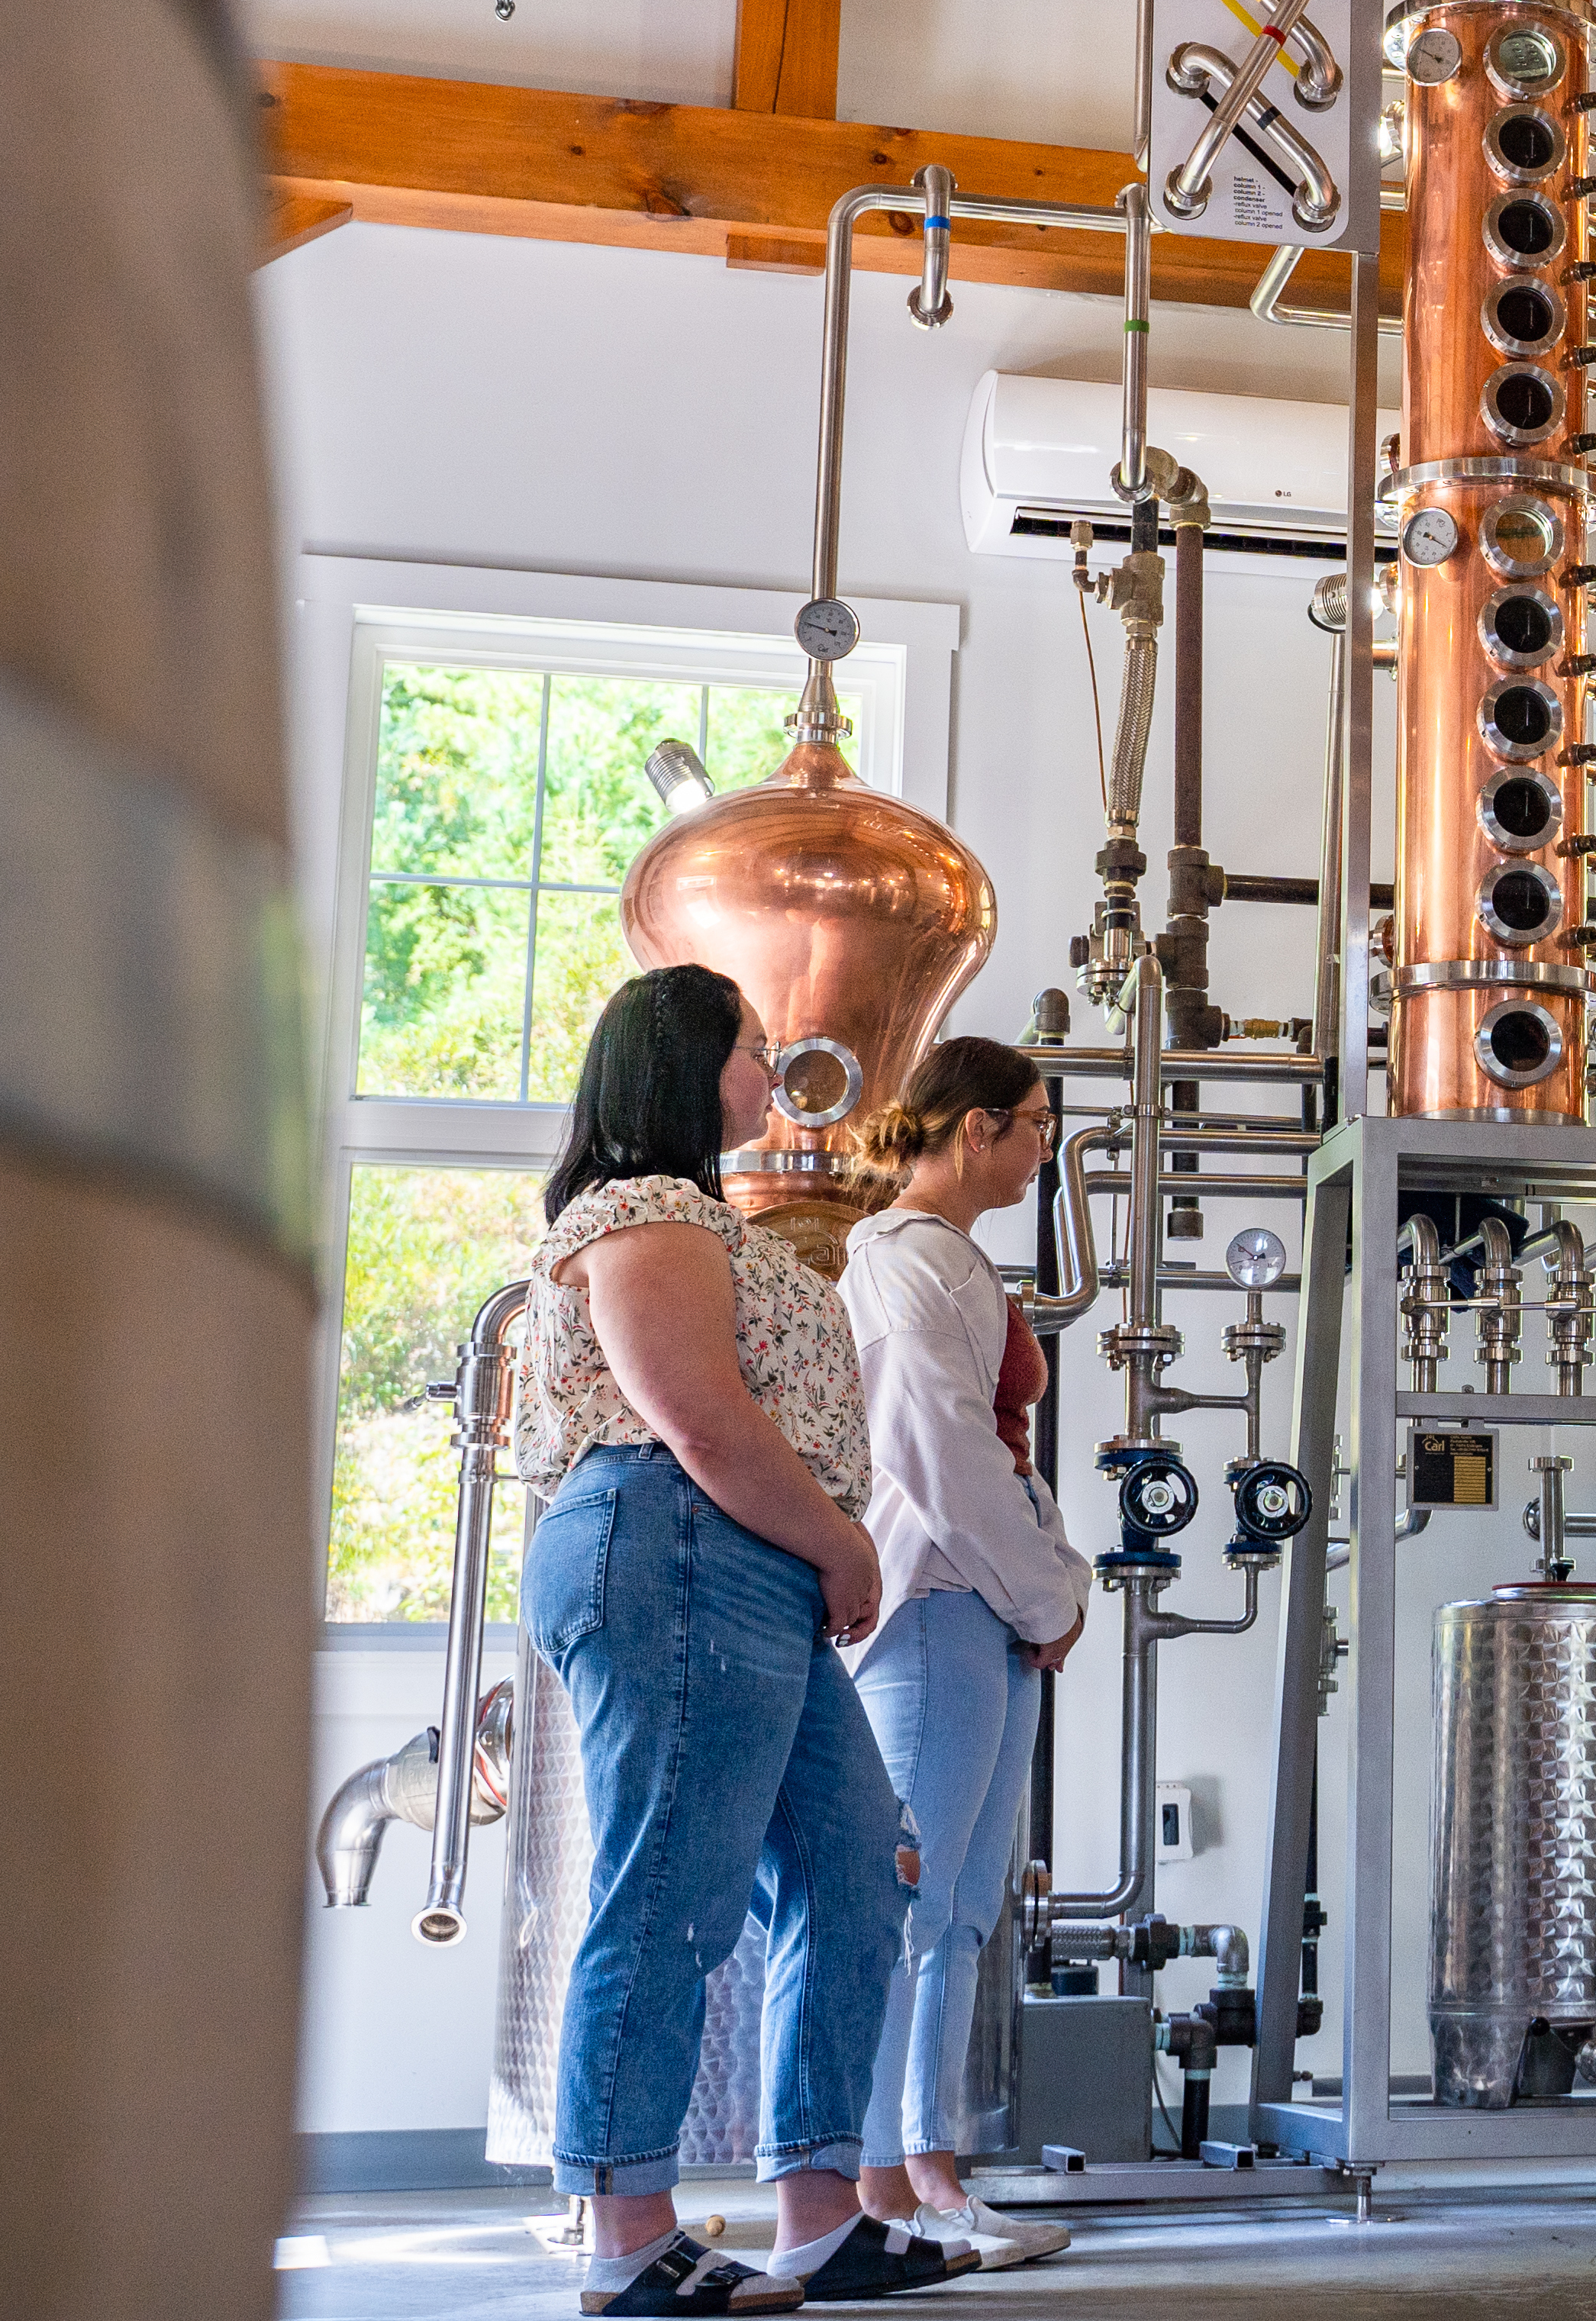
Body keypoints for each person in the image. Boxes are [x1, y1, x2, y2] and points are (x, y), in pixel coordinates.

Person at [514, 964, 966, 2312]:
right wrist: (842, 1540)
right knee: (672, 1891)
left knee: (855, 1863)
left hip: (742, 1560)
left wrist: (819, 1543)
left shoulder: (710, 1221)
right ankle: (625, 2237)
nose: (774, 1074)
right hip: (673, 1537)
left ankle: (822, 2217)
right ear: (684, 1064)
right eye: (754, 1050)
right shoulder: (641, 1214)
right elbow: (699, 1419)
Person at [839, 1038, 1098, 2271]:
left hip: (980, 1608)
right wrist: (1046, 1594)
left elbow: (992, 1461)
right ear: (977, 1127)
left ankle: (924, 2175)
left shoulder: (952, 1262)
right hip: (940, 1603)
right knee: (918, 1904)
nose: (1048, 1146)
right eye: (1038, 1123)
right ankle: (895, 2185)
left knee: (958, 1911)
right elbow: (937, 1456)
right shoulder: (899, 1259)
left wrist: (1047, 1589)